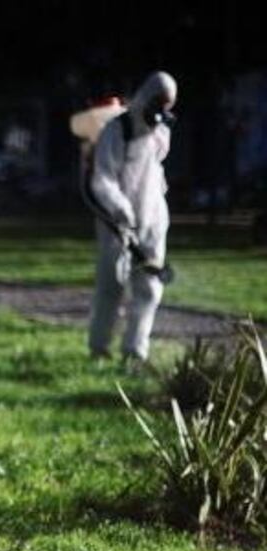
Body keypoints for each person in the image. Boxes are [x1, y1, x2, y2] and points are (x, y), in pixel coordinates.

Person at [86, 71, 177, 362]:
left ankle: (135, 351)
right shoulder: (117, 129)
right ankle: (99, 348)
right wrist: (120, 210)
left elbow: (155, 170)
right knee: (111, 286)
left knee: (150, 289)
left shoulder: (160, 132)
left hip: (152, 219)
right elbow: (103, 179)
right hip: (117, 222)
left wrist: (153, 210)